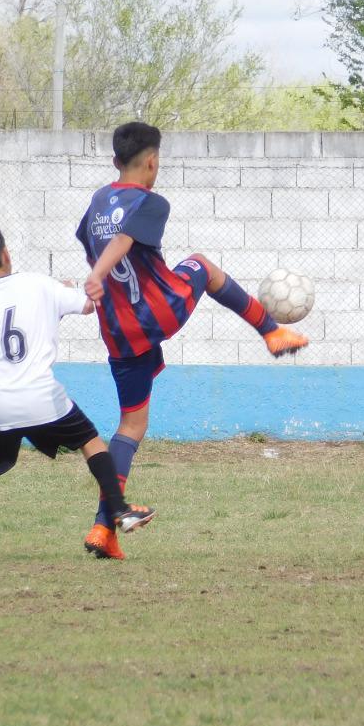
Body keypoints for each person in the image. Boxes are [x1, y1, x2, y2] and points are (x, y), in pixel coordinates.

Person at [76, 121, 309, 560]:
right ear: (152, 162)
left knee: (131, 425)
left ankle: (103, 528)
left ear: (114, 161)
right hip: (157, 310)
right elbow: (123, 240)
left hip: (119, 330)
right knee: (201, 265)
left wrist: (96, 281)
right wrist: (99, 274)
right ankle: (271, 331)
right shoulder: (150, 202)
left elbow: (98, 243)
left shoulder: (98, 202)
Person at [0, 222, 156, 562]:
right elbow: (87, 305)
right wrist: (65, 292)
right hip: (40, 398)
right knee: (90, 441)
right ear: (6, 253)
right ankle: (120, 510)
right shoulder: (39, 284)